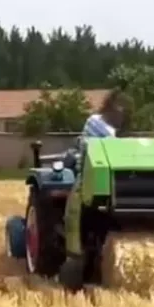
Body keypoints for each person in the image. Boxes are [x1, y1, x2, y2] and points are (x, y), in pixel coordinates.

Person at [60, 91, 127, 289]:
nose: (121, 117)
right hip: (88, 178)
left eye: (123, 113)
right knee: (74, 213)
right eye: (118, 111)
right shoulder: (96, 124)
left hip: (108, 181)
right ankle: (75, 257)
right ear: (109, 109)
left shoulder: (109, 129)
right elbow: (110, 147)